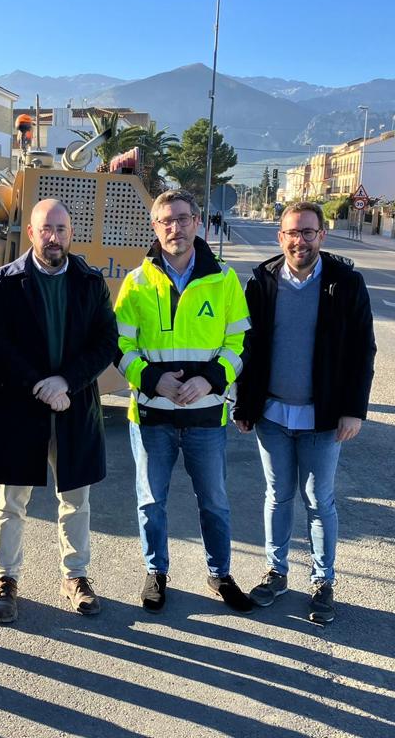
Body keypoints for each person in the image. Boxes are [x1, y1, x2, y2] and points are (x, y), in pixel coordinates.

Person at [233, 201, 376, 624]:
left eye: (308, 232)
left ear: (322, 236)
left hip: (323, 416)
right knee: (277, 497)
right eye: (292, 233)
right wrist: (244, 403)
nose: (300, 240)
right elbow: (247, 347)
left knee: (319, 500)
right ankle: (277, 573)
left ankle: (322, 581)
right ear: (281, 237)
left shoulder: (346, 282)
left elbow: (362, 350)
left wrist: (353, 410)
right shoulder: (262, 280)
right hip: (272, 415)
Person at [0, 198, 118, 623]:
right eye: (45, 228)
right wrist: (40, 385)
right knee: (12, 500)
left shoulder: (90, 282)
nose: (53, 236)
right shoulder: (4, 282)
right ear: (32, 233)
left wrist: (66, 382)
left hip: (74, 406)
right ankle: (6, 579)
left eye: (61, 228)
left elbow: (106, 342)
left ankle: (75, 576)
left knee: (75, 498)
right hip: (21, 407)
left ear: (70, 232)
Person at [114, 190, 253, 614]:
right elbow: (119, 346)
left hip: (207, 417)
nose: (175, 228)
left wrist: (210, 380)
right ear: (154, 228)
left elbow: (238, 343)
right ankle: (156, 573)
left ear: (198, 222)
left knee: (214, 501)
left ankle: (220, 574)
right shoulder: (136, 282)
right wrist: (155, 380)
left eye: (182, 218)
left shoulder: (224, 280)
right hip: (152, 415)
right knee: (150, 501)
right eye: (165, 221)